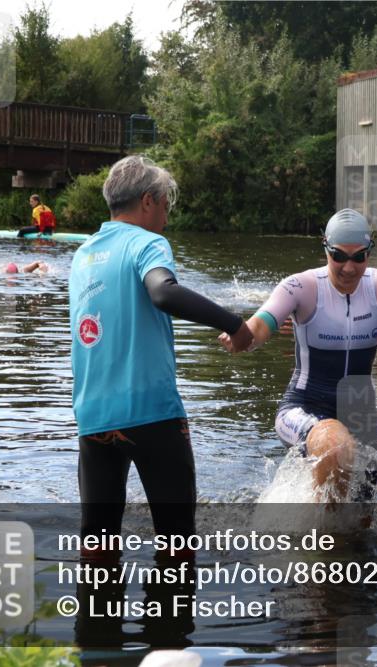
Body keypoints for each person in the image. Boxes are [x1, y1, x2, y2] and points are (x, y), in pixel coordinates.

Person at [69, 155, 253, 557]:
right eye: (166, 204)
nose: (167, 216)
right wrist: (237, 326)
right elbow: (164, 292)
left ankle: (96, 617)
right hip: (152, 414)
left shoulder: (82, 254)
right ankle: (170, 618)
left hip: (93, 416)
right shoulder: (147, 243)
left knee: (97, 547)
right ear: (148, 201)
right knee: (177, 544)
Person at [219, 209, 377, 501]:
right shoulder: (301, 286)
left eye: (358, 257)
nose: (349, 267)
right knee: (335, 446)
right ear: (325, 248)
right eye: (339, 256)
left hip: (360, 412)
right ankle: (321, 542)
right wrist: (241, 335)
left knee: (361, 517)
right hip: (304, 406)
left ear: (369, 253)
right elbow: (260, 325)